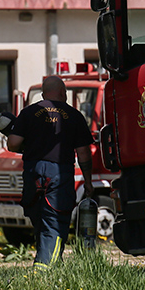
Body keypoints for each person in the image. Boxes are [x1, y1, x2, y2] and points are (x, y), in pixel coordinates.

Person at [7, 75, 94, 270]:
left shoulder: (29, 112)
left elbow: (13, 143)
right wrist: (87, 182)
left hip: (33, 171)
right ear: (63, 93)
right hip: (59, 172)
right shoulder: (74, 115)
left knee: (39, 217)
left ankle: (53, 263)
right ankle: (43, 267)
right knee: (55, 221)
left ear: (43, 94)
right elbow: (83, 153)